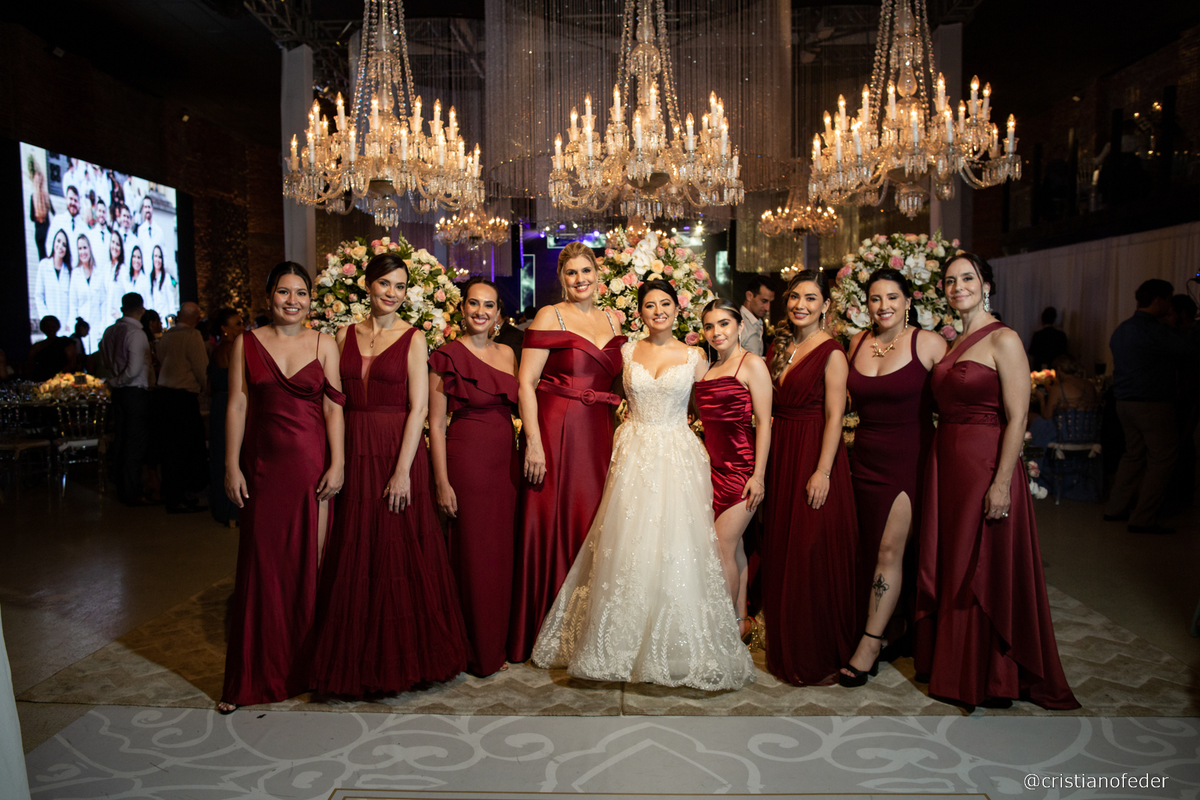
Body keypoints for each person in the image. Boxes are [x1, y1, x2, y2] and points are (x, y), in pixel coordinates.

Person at [532, 280, 755, 690]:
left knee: (677, 545)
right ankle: (619, 646)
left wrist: (741, 458)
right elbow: (599, 388)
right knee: (628, 543)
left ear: (677, 309)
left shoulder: (695, 357)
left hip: (678, 455)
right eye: (650, 305)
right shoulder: (627, 351)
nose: (658, 311)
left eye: (665, 303)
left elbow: (716, 408)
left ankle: (678, 647)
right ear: (640, 313)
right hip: (632, 452)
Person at [914, 252, 1078, 710]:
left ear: (986, 285)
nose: (958, 287)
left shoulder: (1004, 338)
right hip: (947, 464)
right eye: (950, 281)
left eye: (967, 278)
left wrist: (1002, 483)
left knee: (980, 563)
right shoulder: (952, 341)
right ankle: (953, 663)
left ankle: (992, 676)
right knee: (954, 561)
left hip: (985, 464)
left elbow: (1018, 416)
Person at [311, 253, 467, 696]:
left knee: (397, 551)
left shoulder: (414, 338)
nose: (392, 293)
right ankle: (353, 659)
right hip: (353, 447)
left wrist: (402, 472)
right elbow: (333, 401)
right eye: (385, 283)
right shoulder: (343, 334)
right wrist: (337, 458)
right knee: (355, 547)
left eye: (400, 286)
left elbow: (419, 409)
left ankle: (403, 660)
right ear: (368, 284)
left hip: (397, 451)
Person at [219, 263, 345, 712]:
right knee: (262, 571)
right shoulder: (246, 343)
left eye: (301, 293)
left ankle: (308, 671)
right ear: (269, 295)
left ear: (311, 299)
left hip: (312, 471)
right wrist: (231, 466)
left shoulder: (324, 344)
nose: (293, 301)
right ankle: (253, 678)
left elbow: (334, 410)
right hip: (263, 471)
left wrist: (338, 463)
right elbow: (237, 405)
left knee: (310, 567)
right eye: (284, 292)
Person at [507, 242, 624, 663]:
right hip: (557, 430)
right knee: (555, 519)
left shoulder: (614, 318)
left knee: (594, 520)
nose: (580, 279)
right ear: (561, 278)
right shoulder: (549, 316)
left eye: (586, 271)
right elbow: (526, 382)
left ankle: (587, 633)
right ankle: (546, 629)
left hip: (599, 431)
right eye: (571, 273)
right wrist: (534, 442)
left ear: (598, 273)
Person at [840, 268, 946, 687]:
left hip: (909, 461)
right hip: (863, 459)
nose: (883, 306)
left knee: (889, 550)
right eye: (875, 298)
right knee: (868, 549)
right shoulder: (856, 343)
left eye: (892, 298)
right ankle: (894, 627)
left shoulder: (929, 343)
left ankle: (870, 644)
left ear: (908, 302)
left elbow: (958, 398)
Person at [761, 271, 857, 686]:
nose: (801, 305)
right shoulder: (780, 346)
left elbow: (835, 416)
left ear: (826, 305)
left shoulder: (832, 352)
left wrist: (823, 470)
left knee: (808, 547)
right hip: (782, 449)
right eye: (795, 297)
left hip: (812, 451)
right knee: (782, 544)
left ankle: (814, 650)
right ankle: (784, 641)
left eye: (811, 298)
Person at [429, 278, 520, 678]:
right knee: (474, 556)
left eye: (489, 305)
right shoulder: (446, 355)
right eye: (473, 304)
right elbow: (435, 424)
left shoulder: (509, 354)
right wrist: (441, 482)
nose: (481, 311)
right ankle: (473, 650)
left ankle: (495, 643)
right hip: (467, 463)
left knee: (500, 555)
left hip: (506, 466)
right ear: (462, 309)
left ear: (498, 313)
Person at [694, 298, 773, 638]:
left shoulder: (752, 364)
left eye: (724, 323)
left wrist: (759, 476)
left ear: (740, 326)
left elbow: (765, 423)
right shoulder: (707, 369)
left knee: (720, 546)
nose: (716, 332)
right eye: (709, 326)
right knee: (735, 547)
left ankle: (722, 632)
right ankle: (740, 624)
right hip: (712, 470)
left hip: (742, 472)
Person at [1104, 279, 1197, 534]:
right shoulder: (1154, 330)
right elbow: (1187, 348)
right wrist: (1185, 326)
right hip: (1151, 404)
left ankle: (1115, 508)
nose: (1170, 306)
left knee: (1133, 455)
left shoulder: (1123, 329)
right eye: (1168, 301)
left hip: (1123, 403)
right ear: (1159, 301)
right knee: (1162, 458)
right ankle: (1143, 517)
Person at [99, 293, 152, 506]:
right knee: (134, 442)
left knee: (121, 439)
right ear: (142, 309)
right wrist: (118, 380)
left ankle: (123, 488)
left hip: (119, 393)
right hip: (133, 392)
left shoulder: (109, 331)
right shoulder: (136, 333)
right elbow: (134, 369)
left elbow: (105, 359)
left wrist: (114, 380)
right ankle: (133, 492)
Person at [156, 302, 209, 514]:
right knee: (186, 447)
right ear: (197, 318)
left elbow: (161, 359)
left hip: (165, 395)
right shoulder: (192, 335)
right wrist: (207, 389)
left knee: (170, 447)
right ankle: (182, 494)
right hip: (183, 397)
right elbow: (200, 366)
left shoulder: (167, 335)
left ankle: (173, 493)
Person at [208, 308, 243, 527]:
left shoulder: (216, 349)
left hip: (218, 405)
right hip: (231, 404)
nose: (242, 328)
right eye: (237, 324)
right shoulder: (233, 348)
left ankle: (223, 509)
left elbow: (208, 386)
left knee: (221, 454)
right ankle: (234, 511)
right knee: (234, 453)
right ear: (225, 328)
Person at [68, 233, 103, 353]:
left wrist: (102, 327)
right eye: (80, 248)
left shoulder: (98, 273)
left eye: (85, 248)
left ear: (90, 249)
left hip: (96, 328)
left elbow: (103, 303)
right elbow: (73, 304)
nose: (83, 251)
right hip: (81, 331)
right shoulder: (75, 274)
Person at [35, 228, 73, 326]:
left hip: (65, 327)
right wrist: (46, 318)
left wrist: (69, 322)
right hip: (49, 325)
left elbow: (72, 301)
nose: (60, 246)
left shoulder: (69, 271)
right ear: (53, 243)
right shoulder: (44, 265)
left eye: (64, 245)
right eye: (58, 241)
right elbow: (39, 296)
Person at [28, 316, 77, 381]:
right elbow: (30, 365)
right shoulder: (37, 346)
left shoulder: (65, 343)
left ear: (57, 327)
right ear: (42, 328)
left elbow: (72, 363)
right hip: (41, 380)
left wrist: (57, 376)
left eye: (53, 327)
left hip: (62, 380)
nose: (50, 329)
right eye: (48, 327)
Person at [738, 276, 775, 356]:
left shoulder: (758, 323)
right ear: (749, 296)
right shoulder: (737, 321)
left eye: (770, 302)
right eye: (764, 301)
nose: (767, 308)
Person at [45, 185, 83, 256]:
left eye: (75, 200)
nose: (73, 203)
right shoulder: (57, 220)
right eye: (71, 199)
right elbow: (49, 244)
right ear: (66, 199)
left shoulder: (83, 226)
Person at [147, 245, 177, 320]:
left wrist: (172, 318)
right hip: (154, 318)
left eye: (159, 257)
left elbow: (170, 299)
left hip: (165, 318)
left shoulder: (166, 277)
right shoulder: (150, 277)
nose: (157, 259)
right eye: (155, 256)